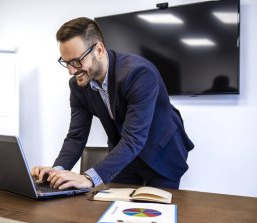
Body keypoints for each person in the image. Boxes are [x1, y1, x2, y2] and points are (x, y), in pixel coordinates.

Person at [31, 17, 194, 190]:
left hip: (162, 152)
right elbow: (76, 136)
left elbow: (134, 138)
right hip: (124, 154)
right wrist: (57, 171)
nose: (71, 71)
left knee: (155, 212)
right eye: (66, 63)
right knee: (116, 208)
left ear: (99, 50)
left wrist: (89, 178)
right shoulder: (78, 85)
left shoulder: (139, 73)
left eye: (76, 61)